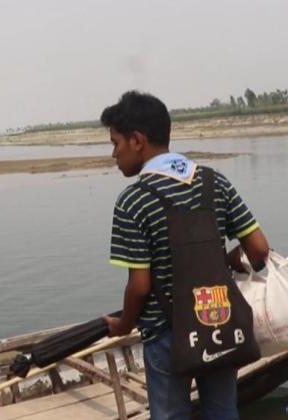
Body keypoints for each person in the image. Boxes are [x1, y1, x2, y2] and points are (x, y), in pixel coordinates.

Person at [100, 91, 270, 420]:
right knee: (223, 412)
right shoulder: (215, 182)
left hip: (166, 334)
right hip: (220, 321)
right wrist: (225, 261)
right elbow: (259, 250)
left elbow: (139, 286)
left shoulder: (133, 201)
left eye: (115, 143)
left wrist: (124, 324)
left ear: (137, 140)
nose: (113, 154)